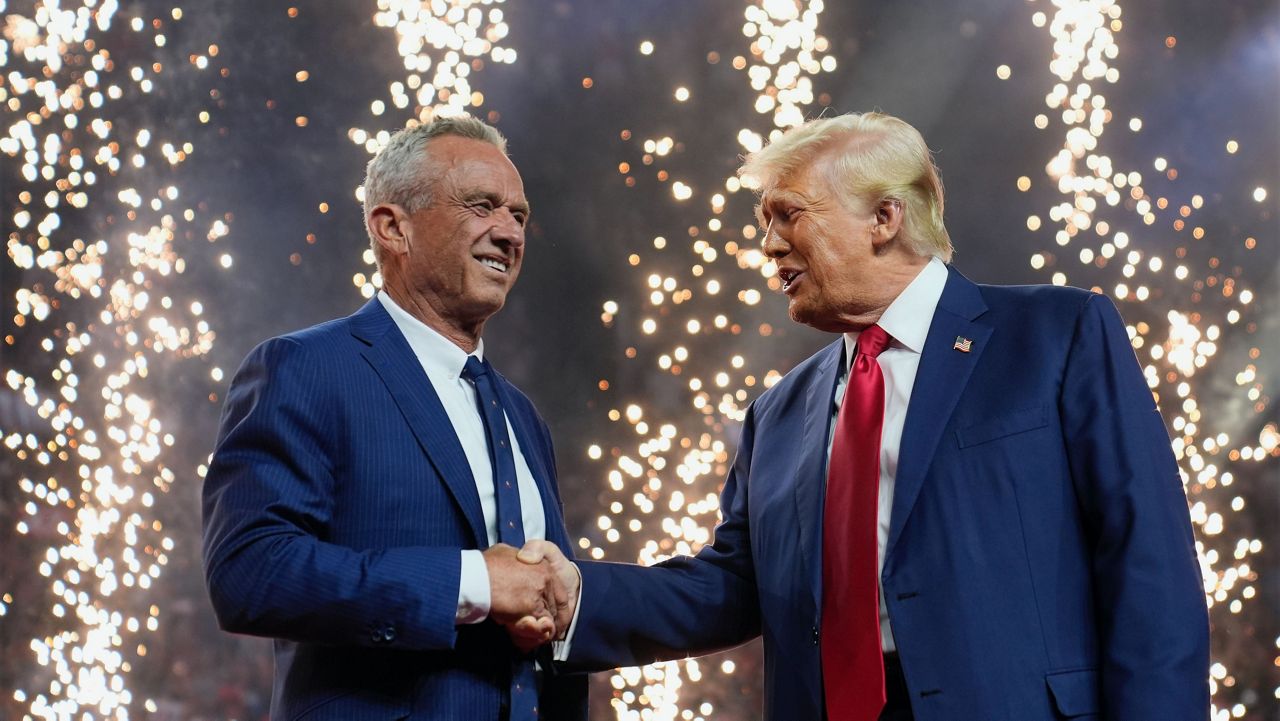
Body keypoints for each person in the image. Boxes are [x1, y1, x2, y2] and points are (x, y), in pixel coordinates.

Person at [522, 111, 1209, 720]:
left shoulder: (1056, 334)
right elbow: (731, 588)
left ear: (884, 218)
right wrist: (575, 594)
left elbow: (1146, 561)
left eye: (787, 214)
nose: (767, 245)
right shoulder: (778, 412)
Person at [202, 115, 585, 720]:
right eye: (482, 205)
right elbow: (250, 572)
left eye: (519, 216)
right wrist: (475, 584)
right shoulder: (305, 368)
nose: (509, 233)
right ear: (393, 228)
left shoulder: (521, 415)